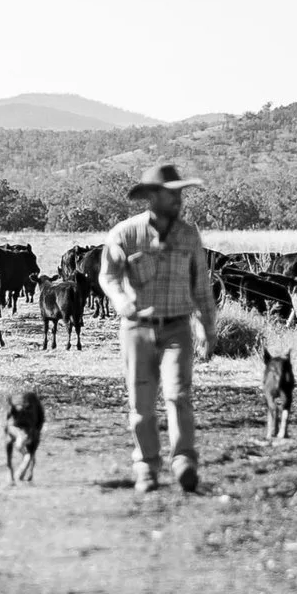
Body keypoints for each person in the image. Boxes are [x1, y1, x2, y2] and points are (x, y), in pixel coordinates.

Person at [98, 163, 219, 494]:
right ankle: (146, 466)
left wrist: (208, 327)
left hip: (177, 329)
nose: (178, 199)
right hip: (137, 329)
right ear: (152, 197)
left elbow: (202, 287)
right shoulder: (124, 234)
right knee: (141, 402)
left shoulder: (189, 236)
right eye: (171, 193)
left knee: (178, 394)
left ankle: (183, 462)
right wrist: (121, 299)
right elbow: (107, 275)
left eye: (180, 193)